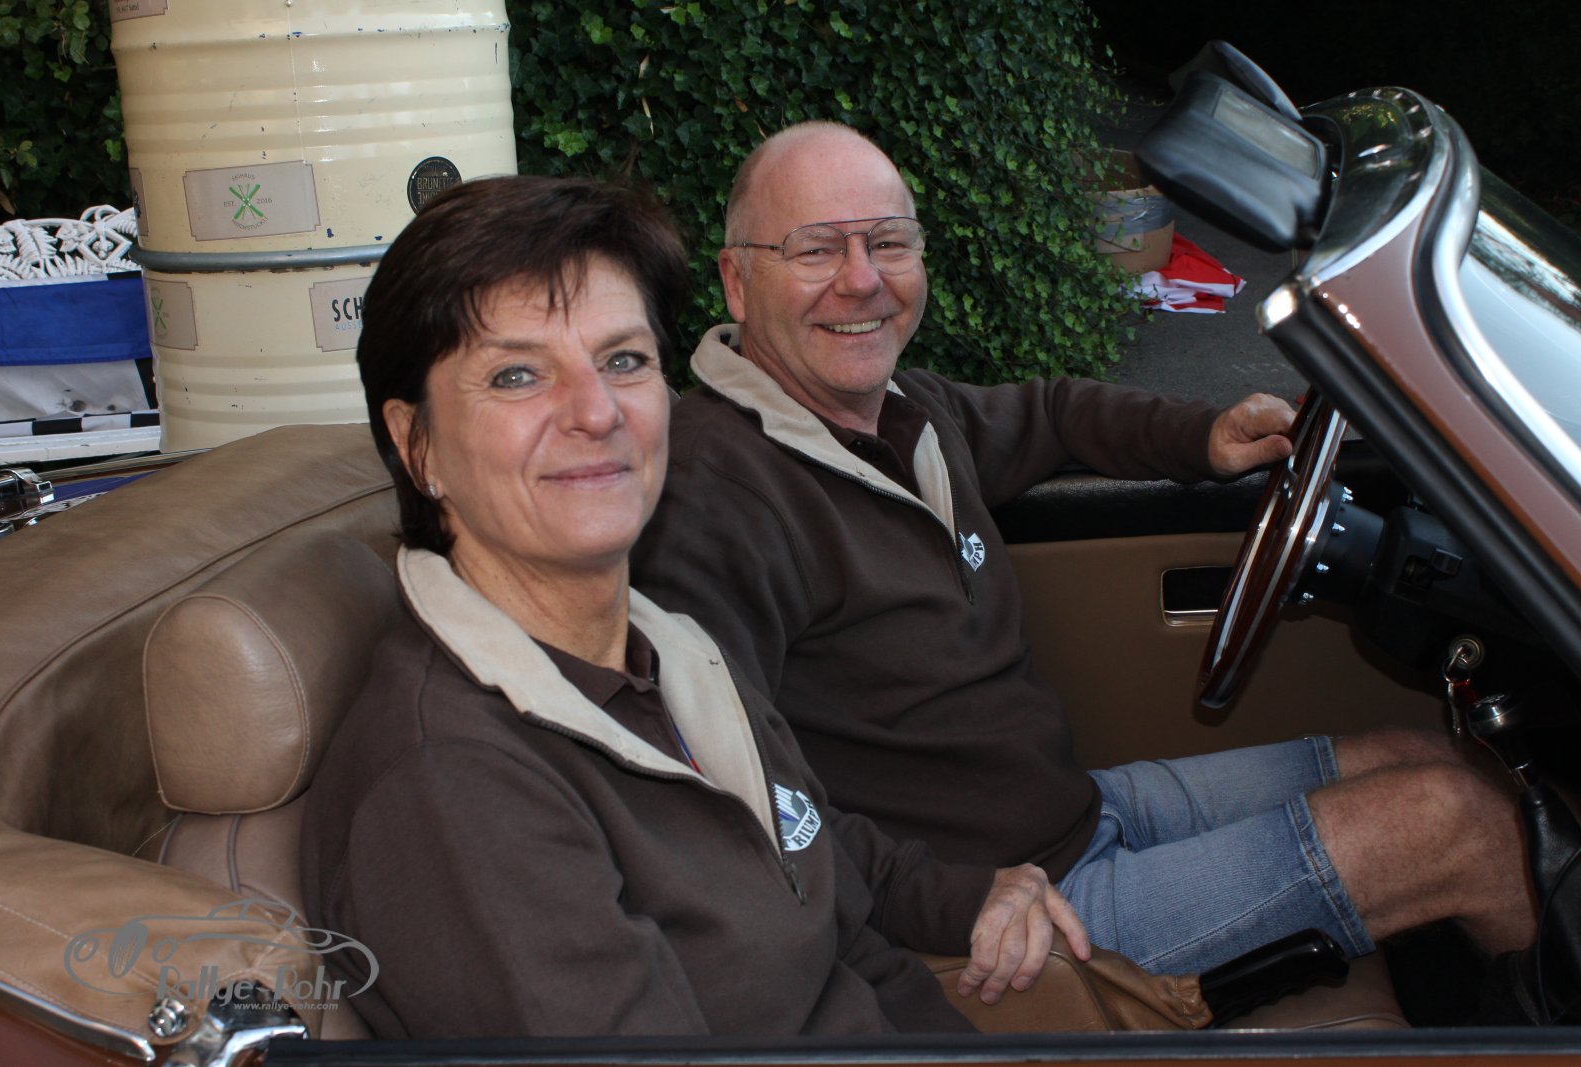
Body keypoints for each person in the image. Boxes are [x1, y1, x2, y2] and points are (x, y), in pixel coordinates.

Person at [630, 121, 1535, 979]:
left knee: (1440, 760)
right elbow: (733, 791)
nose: (862, 279)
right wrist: (949, 902)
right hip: (1013, 912)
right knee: (1462, 825)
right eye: (817, 249)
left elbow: (1054, 413)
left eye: (889, 242)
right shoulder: (712, 499)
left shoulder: (905, 413)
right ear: (737, 282)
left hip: (1081, 812)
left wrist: (1203, 436)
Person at [299, 173, 1100, 1039]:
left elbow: (816, 871)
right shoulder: (451, 789)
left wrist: (965, 894)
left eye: (623, 360)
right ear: (418, 444)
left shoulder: (664, 649)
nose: (596, 411)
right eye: (518, 374)